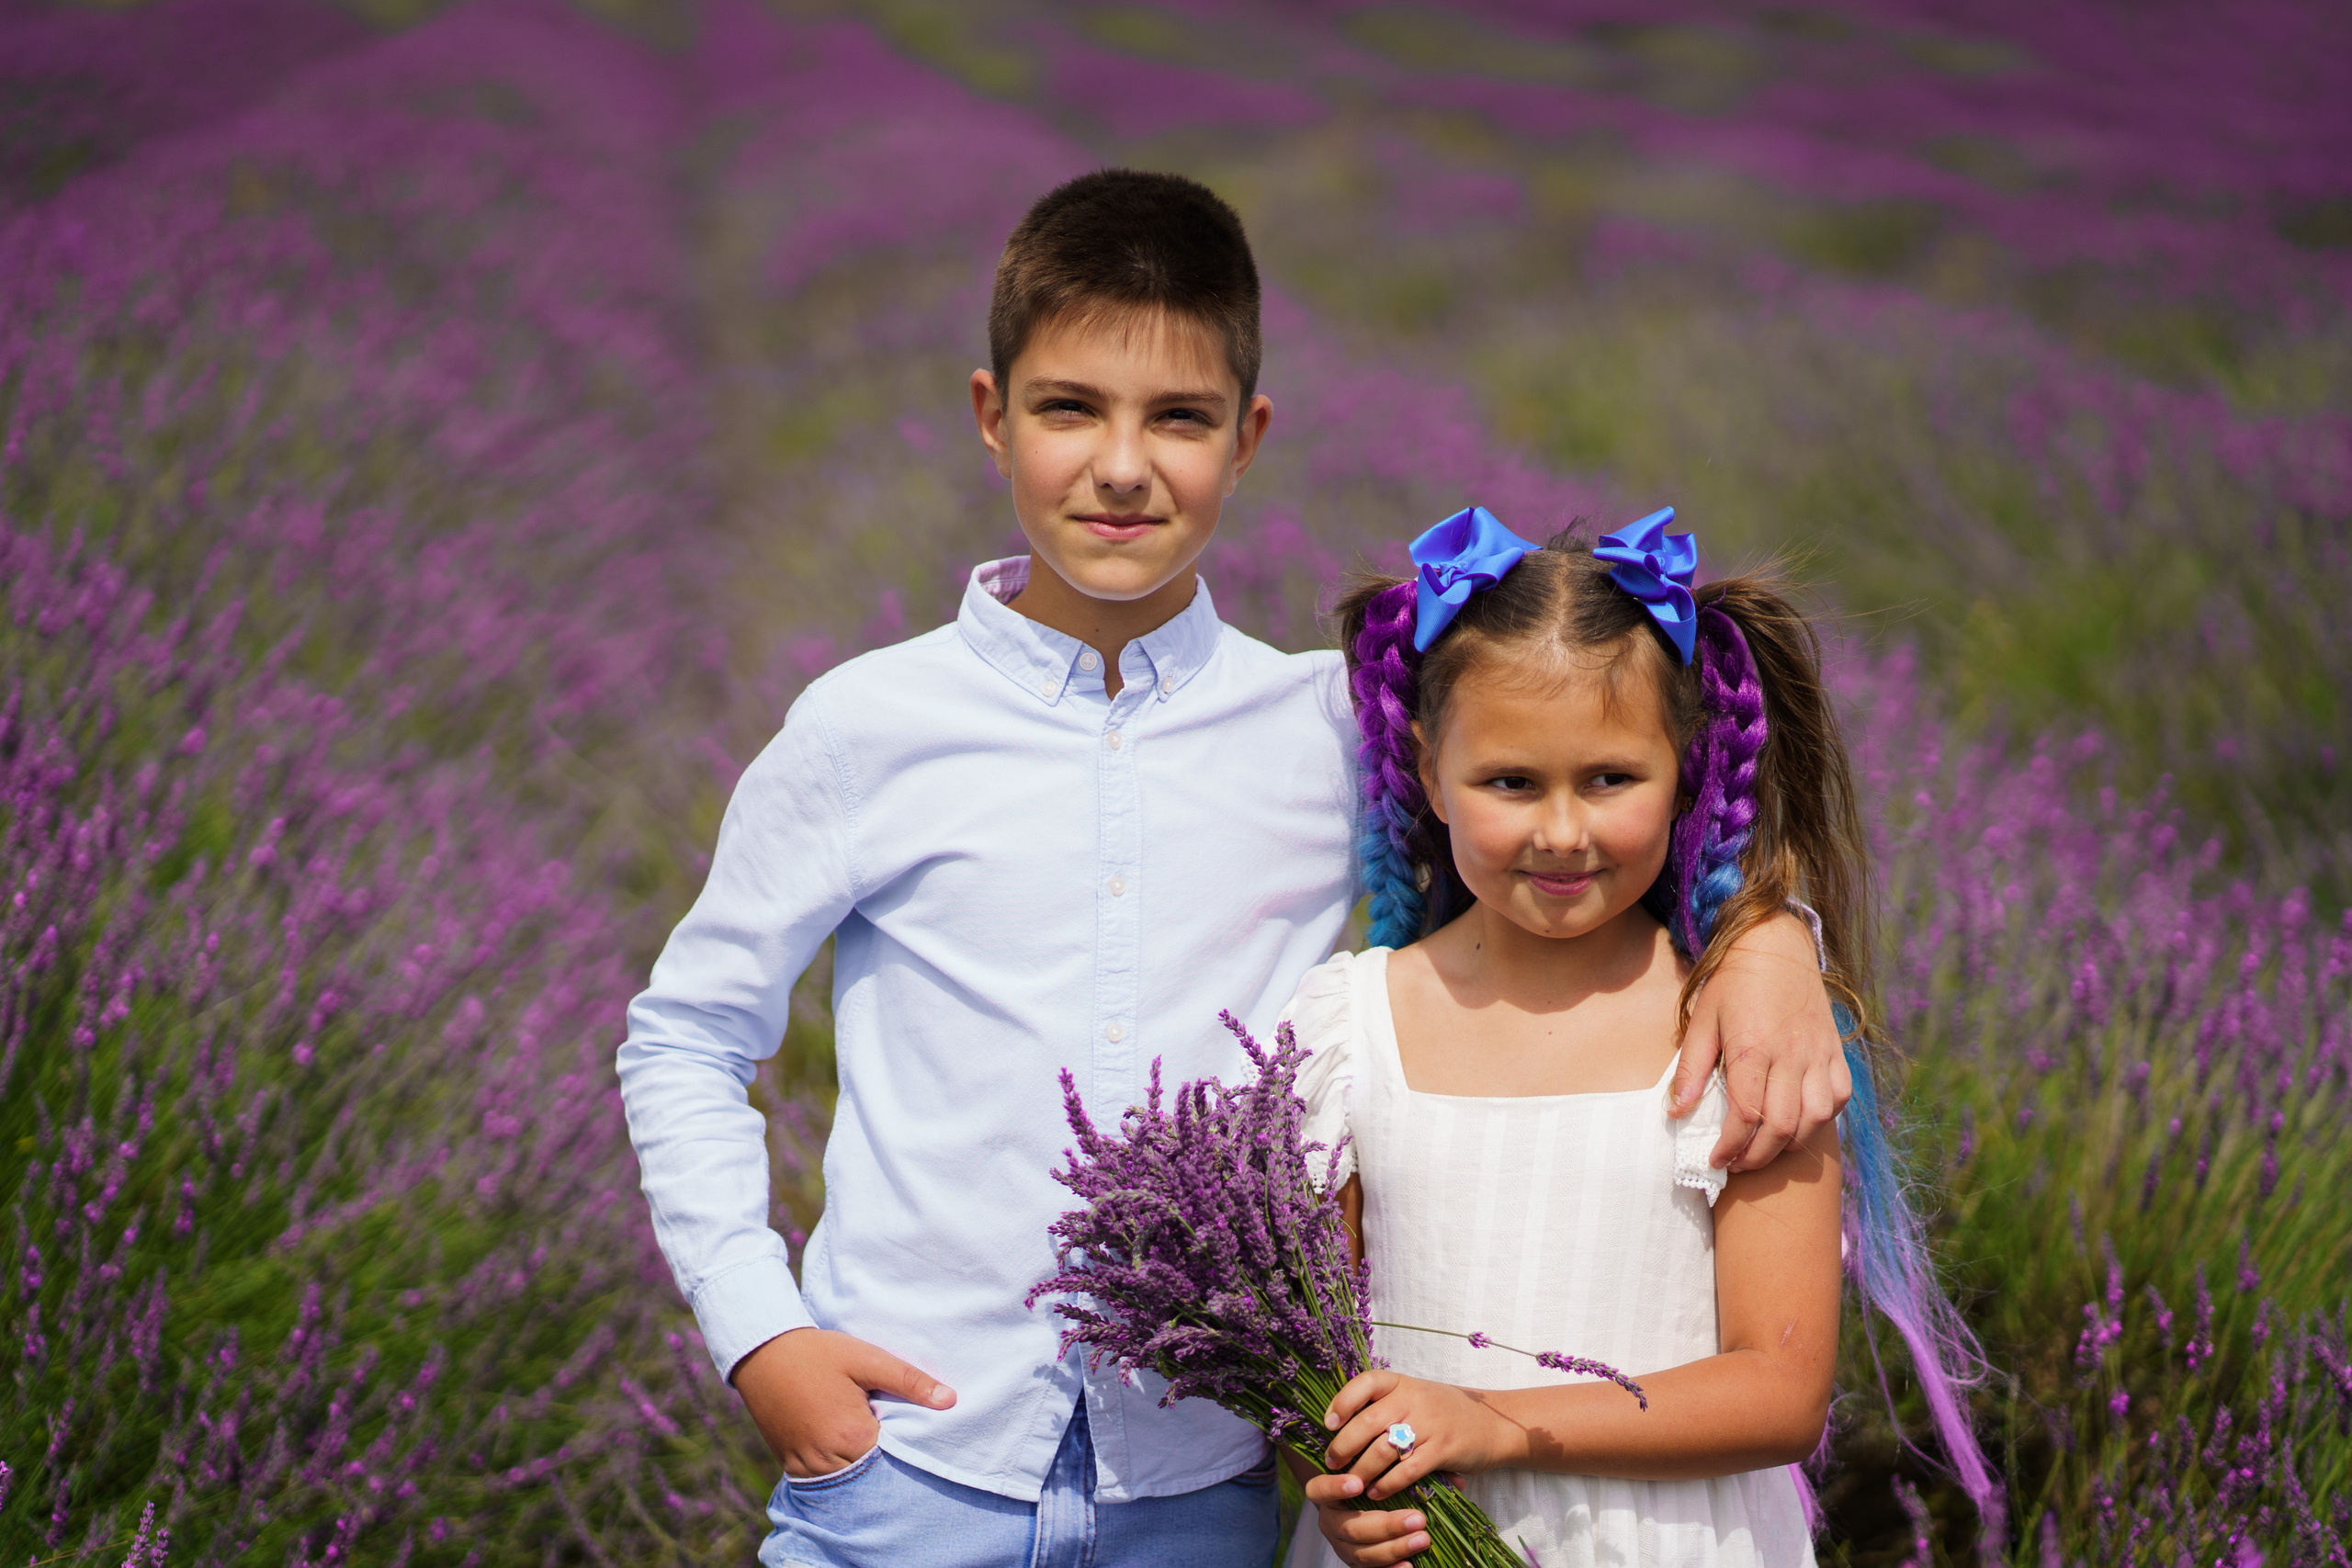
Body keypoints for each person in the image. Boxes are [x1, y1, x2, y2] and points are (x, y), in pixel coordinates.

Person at [616, 171, 1850, 1568]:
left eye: (1180, 418)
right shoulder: (865, 728)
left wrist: (1770, 934)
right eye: (1070, 407)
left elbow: (1574, 788)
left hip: (1195, 1478)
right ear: (989, 414)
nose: (1123, 465)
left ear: (1250, 436)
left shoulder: (1334, 726)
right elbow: (686, 1034)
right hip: (908, 1456)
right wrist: (761, 1332)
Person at [1286, 508, 1994, 1567]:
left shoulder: (1747, 1037)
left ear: (1687, 767)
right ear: (1430, 773)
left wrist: (1495, 1421)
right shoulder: (1349, 1029)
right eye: (1510, 782)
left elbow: (1780, 1393)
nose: (1562, 831)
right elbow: (1310, 1357)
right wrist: (1339, 1488)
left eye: (1610, 779)